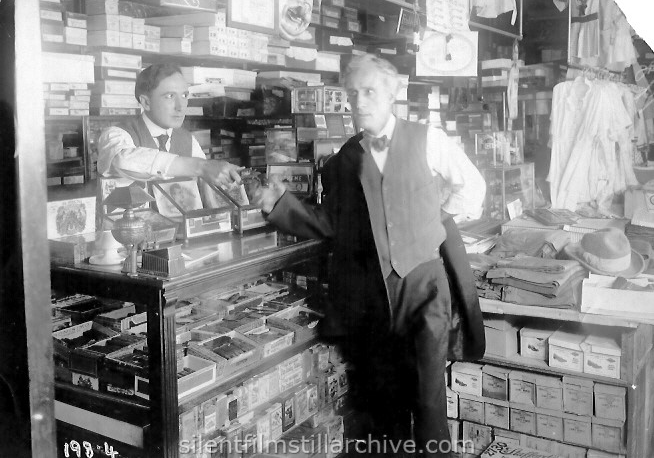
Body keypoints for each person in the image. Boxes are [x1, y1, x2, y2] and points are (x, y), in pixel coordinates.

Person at [255, 54, 486, 457]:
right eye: (352, 93)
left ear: (393, 92)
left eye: (369, 91)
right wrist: (277, 204)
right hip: (372, 295)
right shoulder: (345, 158)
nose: (359, 101)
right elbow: (330, 223)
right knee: (384, 399)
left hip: (424, 286)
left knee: (429, 399)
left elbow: (473, 190)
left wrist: (431, 218)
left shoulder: (427, 138)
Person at [97, 63, 242, 187]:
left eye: (184, 96)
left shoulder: (187, 140)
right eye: (170, 96)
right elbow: (123, 160)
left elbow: (205, 184)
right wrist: (201, 167)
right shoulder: (116, 134)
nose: (181, 107)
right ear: (146, 102)